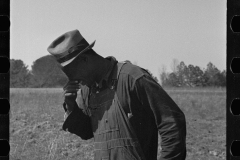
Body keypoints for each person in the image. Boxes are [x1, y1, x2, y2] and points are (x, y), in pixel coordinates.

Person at [47, 29, 187, 160]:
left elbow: (172, 123)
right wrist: (71, 105)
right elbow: (87, 132)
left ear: (85, 59)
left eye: (72, 73)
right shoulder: (87, 90)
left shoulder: (132, 78)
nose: (73, 80)